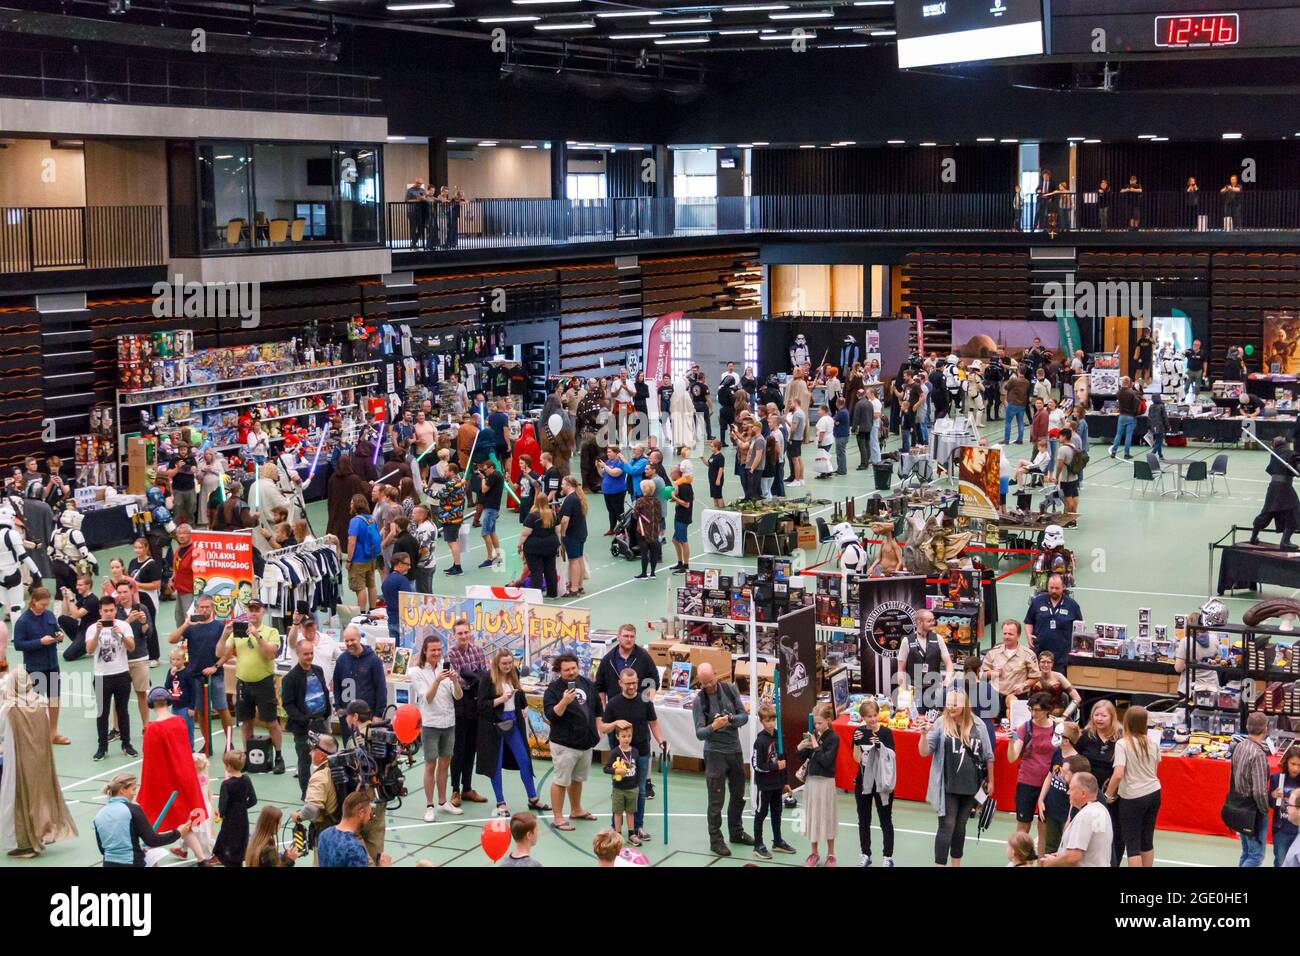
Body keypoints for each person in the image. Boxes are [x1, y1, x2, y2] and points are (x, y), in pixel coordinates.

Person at [0, 669, 78, 858]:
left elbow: (3, 732)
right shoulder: (40, 703)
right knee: (39, 798)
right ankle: (41, 834)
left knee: (20, 798)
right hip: (41, 760)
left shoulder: (10, 708)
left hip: (19, 760)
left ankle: (26, 844)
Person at [920, 690, 993, 867]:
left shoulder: (979, 725)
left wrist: (991, 781)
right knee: (947, 825)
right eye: (949, 703)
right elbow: (924, 752)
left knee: (960, 827)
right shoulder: (940, 723)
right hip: (948, 785)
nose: (950, 707)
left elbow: (988, 756)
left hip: (971, 786)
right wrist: (923, 735)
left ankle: (956, 865)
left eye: (955, 704)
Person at [597, 665, 665, 844]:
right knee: (618, 791)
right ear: (620, 683)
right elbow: (603, 728)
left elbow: (654, 723)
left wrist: (661, 741)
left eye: (634, 683)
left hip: (641, 753)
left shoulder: (645, 701)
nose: (632, 687)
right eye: (628, 683)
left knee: (640, 791)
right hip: (619, 757)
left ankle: (637, 827)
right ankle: (616, 829)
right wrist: (615, 723)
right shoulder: (613, 704)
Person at [477, 648, 548, 818]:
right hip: (495, 727)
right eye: (504, 664)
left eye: (510, 663)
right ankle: (500, 801)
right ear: (497, 663)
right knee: (496, 764)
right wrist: (501, 699)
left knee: (524, 759)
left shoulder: (514, 673)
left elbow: (519, 692)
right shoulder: (488, 679)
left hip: (514, 724)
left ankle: (532, 797)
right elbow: (481, 706)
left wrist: (524, 706)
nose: (508, 666)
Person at [692, 661, 752, 856]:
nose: (708, 686)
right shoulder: (699, 701)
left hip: (734, 751)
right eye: (704, 684)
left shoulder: (729, 689)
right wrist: (714, 727)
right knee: (716, 801)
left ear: (716, 675)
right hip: (715, 754)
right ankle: (715, 840)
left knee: (738, 795)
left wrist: (731, 720)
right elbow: (700, 733)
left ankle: (736, 832)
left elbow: (744, 715)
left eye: (710, 682)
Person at [217, 599, 284, 771]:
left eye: (257, 609)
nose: (253, 613)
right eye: (250, 609)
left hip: (264, 682)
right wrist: (225, 634)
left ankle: (278, 756)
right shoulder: (237, 632)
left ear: (263, 612)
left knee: (270, 722)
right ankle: (246, 756)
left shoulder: (271, 631)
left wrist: (257, 636)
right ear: (247, 612)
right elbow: (219, 652)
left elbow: (270, 654)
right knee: (246, 722)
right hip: (243, 683)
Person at [543, 653, 602, 831]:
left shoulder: (587, 684)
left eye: (573, 668)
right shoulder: (553, 689)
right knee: (561, 780)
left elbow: (598, 709)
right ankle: (558, 817)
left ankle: (576, 810)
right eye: (566, 670)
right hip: (564, 744)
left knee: (578, 779)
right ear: (559, 671)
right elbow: (551, 715)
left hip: (585, 742)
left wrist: (598, 730)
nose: (571, 672)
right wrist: (564, 701)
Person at [410, 635, 463, 822]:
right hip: (430, 724)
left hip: (449, 722)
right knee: (430, 765)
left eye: (439, 649)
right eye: (433, 650)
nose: (437, 653)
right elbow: (427, 698)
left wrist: (455, 681)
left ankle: (442, 801)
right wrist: (438, 681)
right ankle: (429, 805)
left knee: (445, 763)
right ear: (425, 650)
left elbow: (458, 696)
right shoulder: (416, 671)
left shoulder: (446, 667)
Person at [167, 594, 231, 746]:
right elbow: (172, 639)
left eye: (207, 607)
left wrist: (215, 667)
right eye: (201, 607)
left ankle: (229, 743)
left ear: (212, 608)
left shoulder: (220, 627)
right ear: (197, 608)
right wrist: (186, 624)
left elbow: (227, 653)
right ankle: (207, 743)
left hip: (215, 676)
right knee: (201, 712)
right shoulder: (192, 627)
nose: (204, 610)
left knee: (222, 708)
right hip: (194, 676)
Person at [92, 772, 193, 867]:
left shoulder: (99, 815)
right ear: (122, 790)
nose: (135, 793)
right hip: (132, 863)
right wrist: (178, 833)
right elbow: (152, 840)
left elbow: (103, 849)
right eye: (133, 789)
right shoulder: (132, 809)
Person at [1103, 704, 1161, 868]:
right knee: (1147, 840)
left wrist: (1107, 795)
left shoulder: (1123, 744)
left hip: (1133, 797)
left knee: (1132, 844)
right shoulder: (1152, 743)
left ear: (1127, 722)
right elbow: (1155, 769)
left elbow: (1118, 774)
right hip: (1154, 792)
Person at [11, 588, 65, 744]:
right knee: (36, 703)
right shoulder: (23, 621)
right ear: (33, 601)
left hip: (52, 664)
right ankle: (38, 735)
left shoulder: (48, 615)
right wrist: (40, 642)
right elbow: (19, 645)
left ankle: (53, 733)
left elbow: (56, 629)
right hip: (35, 667)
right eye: (42, 604)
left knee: (54, 699)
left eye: (47, 604)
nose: (45, 607)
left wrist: (59, 635)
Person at [1007, 692, 1058, 856]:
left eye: (1037, 710)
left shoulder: (1057, 728)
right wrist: (1010, 742)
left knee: (1044, 828)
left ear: (1047, 709)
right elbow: (1013, 757)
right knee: (1023, 827)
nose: (1033, 714)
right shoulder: (1026, 728)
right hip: (1027, 783)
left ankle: (1041, 862)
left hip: (1049, 786)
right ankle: (1020, 860)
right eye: (1031, 709)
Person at [86, 596, 136, 761]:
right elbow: (89, 649)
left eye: (111, 610)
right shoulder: (93, 628)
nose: (109, 613)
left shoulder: (124, 625)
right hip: (101, 676)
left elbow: (131, 647)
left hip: (121, 673)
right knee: (102, 713)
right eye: (105, 611)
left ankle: (126, 744)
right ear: (100, 611)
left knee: (123, 711)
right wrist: (98, 633)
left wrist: (120, 634)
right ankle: (102, 747)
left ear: (116, 610)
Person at [280, 638, 331, 800]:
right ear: (298, 654)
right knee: (304, 762)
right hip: (303, 728)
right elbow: (288, 705)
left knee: (325, 759)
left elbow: (324, 692)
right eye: (305, 654)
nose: (309, 656)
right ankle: (306, 794)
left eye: (311, 653)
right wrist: (304, 720)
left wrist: (326, 713)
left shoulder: (318, 670)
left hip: (320, 722)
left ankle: (324, 791)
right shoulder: (290, 678)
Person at [446, 619, 488, 807]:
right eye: (460, 633)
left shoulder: (478, 651)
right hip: (460, 702)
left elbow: (484, 676)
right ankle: (455, 789)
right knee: (459, 749)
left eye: (466, 632)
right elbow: (459, 680)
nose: (463, 636)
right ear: (454, 635)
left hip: (476, 703)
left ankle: (467, 788)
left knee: (472, 747)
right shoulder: (451, 654)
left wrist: (471, 677)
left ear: (470, 632)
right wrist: (473, 677)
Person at [852, 698, 895, 868]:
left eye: (875, 715)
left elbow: (892, 757)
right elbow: (856, 758)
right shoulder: (859, 732)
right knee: (863, 819)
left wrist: (879, 746)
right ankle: (865, 854)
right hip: (863, 783)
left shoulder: (885, 733)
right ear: (863, 717)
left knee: (885, 819)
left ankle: (888, 857)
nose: (873, 719)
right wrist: (856, 743)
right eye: (869, 716)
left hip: (882, 783)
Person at [1038, 772, 1113, 866]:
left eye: (1071, 789)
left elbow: (1074, 855)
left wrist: (1053, 861)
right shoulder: (1102, 810)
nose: (1068, 792)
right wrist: (1061, 855)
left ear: (1083, 793)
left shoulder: (1085, 815)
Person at [750, 702, 794, 860]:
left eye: (773, 720)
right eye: (767, 720)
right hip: (764, 785)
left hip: (777, 784)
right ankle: (758, 844)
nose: (771, 723)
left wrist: (786, 782)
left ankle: (777, 841)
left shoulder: (780, 737)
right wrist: (775, 766)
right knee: (761, 813)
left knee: (777, 813)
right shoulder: (760, 741)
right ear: (762, 721)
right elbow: (756, 765)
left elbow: (785, 761)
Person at [1229, 711, 1273, 867]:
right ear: (1265, 729)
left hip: (1238, 806)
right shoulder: (1258, 755)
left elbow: (1232, 778)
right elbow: (1260, 792)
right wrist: (1264, 810)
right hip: (1253, 812)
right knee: (1255, 857)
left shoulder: (1239, 746)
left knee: (1246, 852)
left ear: (1247, 727)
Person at [980, 619, 1041, 717]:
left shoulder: (1028, 654)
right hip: (995, 699)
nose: (1006, 637)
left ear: (1018, 635)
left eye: (1010, 634)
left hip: (1017, 698)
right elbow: (982, 675)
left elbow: (1036, 677)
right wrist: (993, 672)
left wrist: (1023, 684)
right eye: (1005, 633)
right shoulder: (993, 653)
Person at [896, 609, 954, 710]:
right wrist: (904, 690)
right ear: (919, 622)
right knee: (915, 721)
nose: (933, 623)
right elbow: (901, 669)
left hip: (934, 690)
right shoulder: (907, 641)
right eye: (929, 621)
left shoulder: (938, 639)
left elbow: (949, 664)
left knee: (933, 720)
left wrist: (947, 679)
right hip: (914, 689)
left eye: (933, 620)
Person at [318, 790, 393, 867]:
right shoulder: (354, 850)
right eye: (370, 814)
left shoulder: (324, 835)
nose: (370, 818)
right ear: (361, 813)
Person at [1024, 574, 1082, 666]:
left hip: (1062, 655)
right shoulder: (1037, 602)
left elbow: (1079, 628)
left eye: (1057, 588)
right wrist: (1028, 635)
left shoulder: (1073, 605)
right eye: (1051, 588)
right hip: (1039, 653)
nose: (1054, 591)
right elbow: (1028, 621)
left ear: (1063, 587)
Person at [212, 749, 257, 867]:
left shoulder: (226, 784)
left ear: (229, 766)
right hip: (242, 819)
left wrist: (222, 815)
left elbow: (223, 806)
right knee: (240, 843)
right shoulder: (246, 779)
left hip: (230, 820)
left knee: (227, 842)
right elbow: (253, 800)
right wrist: (242, 807)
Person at [1039, 752, 1090, 856]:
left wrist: (1069, 818)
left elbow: (1074, 801)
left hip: (1066, 814)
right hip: (1054, 809)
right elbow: (1049, 776)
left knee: (1068, 847)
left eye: (1066, 773)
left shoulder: (1078, 763)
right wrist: (1041, 799)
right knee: (1050, 847)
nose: (1062, 775)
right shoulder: (1057, 753)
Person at [333, 625, 386, 720]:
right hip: (347, 714)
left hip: (367, 715)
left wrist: (378, 714)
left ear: (359, 638)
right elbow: (336, 686)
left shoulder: (373, 660)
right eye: (346, 641)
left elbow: (381, 688)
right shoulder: (341, 660)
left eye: (353, 640)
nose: (349, 643)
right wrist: (337, 707)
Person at [518, 494, 561, 597]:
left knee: (536, 571)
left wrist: (519, 545)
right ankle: (552, 593)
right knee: (550, 570)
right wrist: (559, 544)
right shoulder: (553, 514)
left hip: (534, 548)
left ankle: (536, 595)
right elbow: (558, 531)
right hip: (550, 546)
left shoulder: (532, 516)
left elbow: (526, 533)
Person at [345, 493, 381, 612]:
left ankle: (362, 613)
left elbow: (352, 542)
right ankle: (373, 609)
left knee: (360, 587)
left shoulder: (355, 521)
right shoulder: (371, 519)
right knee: (371, 584)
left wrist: (349, 559)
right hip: (371, 557)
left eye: (351, 503)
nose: (350, 505)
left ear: (355, 505)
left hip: (358, 559)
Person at [557, 476, 589, 596]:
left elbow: (565, 520)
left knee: (573, 561)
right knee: (579, 558)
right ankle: (579, 585)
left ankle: (574, 588)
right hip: (581, 532)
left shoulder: (570, 500)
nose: (561, 486)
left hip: (572, 534)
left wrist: (563, 533)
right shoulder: (577, 497)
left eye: (563, 484)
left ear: (569, 486)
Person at [1270, 744, 1300, 866]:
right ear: (1286, 762)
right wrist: (1272, 795)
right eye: (1293, 764)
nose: (1296, 769)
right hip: (1281, 829)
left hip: (1297, 830)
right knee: (1281, 862)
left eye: (1299, 765)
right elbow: (1270, 804)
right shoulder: (1277, 778)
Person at [380, 552, 415, 643]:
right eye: (407, 564)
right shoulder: (402, 581)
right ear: (399, 564)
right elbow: (409, 601)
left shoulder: (386, 580)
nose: (409, 567)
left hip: (391, 620)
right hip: (403, 622)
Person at [632, 478, 663, 579]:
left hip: (643, 530)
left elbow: (635, 516)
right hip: (654, 530)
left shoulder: (640, 501)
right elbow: (659, 516)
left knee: (644, 552)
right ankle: (653, 573)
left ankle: (644, 573)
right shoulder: (657, 501)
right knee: (653, 551)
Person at [476, 458, 504, 569]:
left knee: (485, 533)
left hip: (490, 508)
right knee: (492, 532)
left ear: (492, 467)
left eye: (486, 469)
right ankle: (498, 556)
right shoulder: (497, 475)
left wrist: (483, 480)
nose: (485, 471)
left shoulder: (493, 476)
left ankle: (489, 559)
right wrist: (485, 478)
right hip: (494, 507)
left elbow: (484, 490)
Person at [597, 445, 627, 536]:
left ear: (616, 453)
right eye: (607, 452)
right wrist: (598, 467)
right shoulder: (609, 461)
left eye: (610, 452)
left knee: (619, 512)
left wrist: (605, 466)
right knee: (611, 511)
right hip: (607, 491)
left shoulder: (620, 463)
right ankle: (612, 528)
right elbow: (603, 474)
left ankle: (624, 531)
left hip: (617, 492)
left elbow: (615, 473)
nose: (608, 454)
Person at [1109, 376, 1140, 459]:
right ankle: (1126, 453)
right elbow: (1137, 403)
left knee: (1118, 434)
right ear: (1129, 383)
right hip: (1130, 416)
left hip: (1122, 416)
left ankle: (1113, 452)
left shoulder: (1118, 393)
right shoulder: (1132, 393)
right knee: (1128, 435)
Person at [813, 403, 835, 480]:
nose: (818, 412)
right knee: (826, 456)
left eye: (819, 410)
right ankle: (828, 471)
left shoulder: (822, 420)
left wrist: (820, 442)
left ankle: (824, 473)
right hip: (830, 440)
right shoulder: (830, 418)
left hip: (824, 441)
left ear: (823, 410)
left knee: (822, 458)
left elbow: (822, 432)